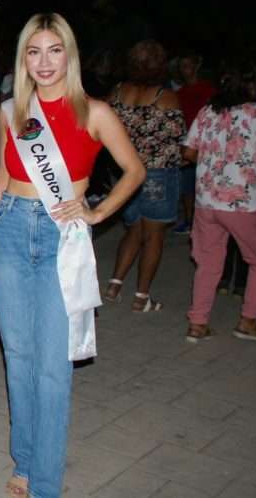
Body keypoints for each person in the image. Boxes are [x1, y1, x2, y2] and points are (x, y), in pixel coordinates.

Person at [0, 13, 144, 498]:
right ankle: (25, 459)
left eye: (54, 50)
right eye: (34, 52)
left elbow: (134, 170)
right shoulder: (11, 111)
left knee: (53, 364)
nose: (44, 62)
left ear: (69, 56)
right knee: (18, 355)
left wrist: (97, 213)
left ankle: (45, 482)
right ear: (23, 59)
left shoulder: (95, 112)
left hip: (61, 236)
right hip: (10, 229)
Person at [182, 61, 256, 344]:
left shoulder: (208, 111)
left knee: (208, 262)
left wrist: (214, 161)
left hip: (206, 200)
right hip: (242, 202)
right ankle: (248, 321)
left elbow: (188, 152)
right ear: (252, 85)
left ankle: (198, 323)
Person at [103, 40, 185, 311]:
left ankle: (114, 285)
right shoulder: (165, 97)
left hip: (125, 173)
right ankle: (141, 297)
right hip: (157, 174)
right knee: (153, 235)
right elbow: (179, 137)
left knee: (134, 229)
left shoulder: (116, 92)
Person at [174, 54, 215, 233]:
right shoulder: (179, 93)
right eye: (182, 65)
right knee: (187, 185)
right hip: (187, 141)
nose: (184, 69)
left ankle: (204, 222)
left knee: (205, 184)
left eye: (187, 65)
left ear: (196, 66)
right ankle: (189, 220)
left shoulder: (209, 90)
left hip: (207, 142)